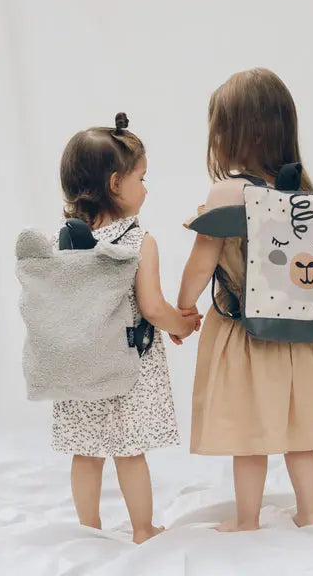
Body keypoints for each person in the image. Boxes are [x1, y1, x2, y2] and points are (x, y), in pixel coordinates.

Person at [177, 69, 313, 532]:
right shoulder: (301, 191)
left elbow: (201, 262)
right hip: (300, 334)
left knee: (250, 434)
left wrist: (184, 309)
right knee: (299, 432)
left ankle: (247, 519)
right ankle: (311, 513)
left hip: (245, 332)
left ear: (243, 133)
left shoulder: (230, 191)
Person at [52, 113, 201, 544]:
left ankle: (88, 529)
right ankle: (142, 528)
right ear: (116, 183)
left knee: (86, 451)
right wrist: (184, 324)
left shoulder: (64, 242)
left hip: (79, 366)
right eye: (142, 177)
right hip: (126, 370)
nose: (147, 186)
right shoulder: (138, 242)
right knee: (129, 451)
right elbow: (153, 307)